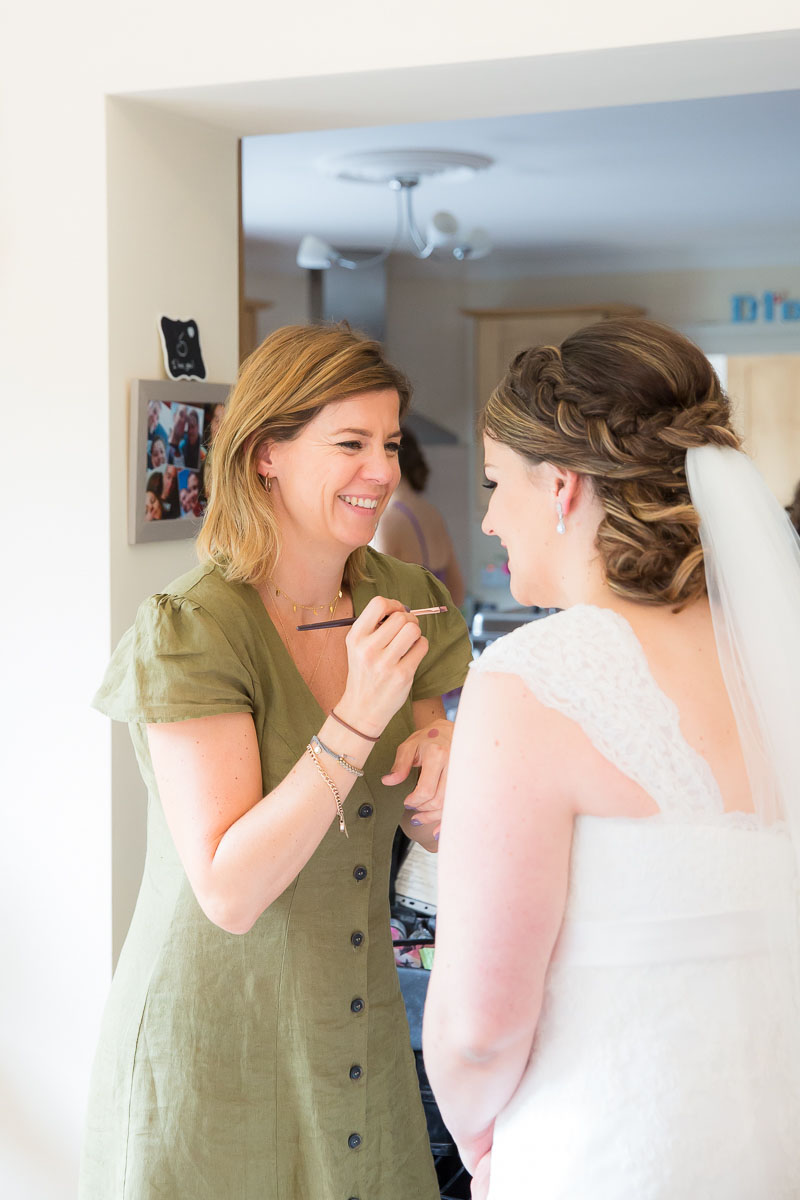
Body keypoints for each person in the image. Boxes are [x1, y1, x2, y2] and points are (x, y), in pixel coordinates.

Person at [81, 323, 473, 1200]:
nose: (380, 470)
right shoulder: (195, 626)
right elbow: (230, 890)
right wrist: (359, 712)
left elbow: (424, 809)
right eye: (350, 444)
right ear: (267, 455)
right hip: (215, 1030)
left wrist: (443, 762)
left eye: (389, 443)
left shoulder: (405, 596)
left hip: (358, 1023)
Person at [424, 317, 800, 1199]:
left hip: (611, 1152)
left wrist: (483, 1145)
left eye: (493, 483)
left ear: (560, 487)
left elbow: (479, 1029)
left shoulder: (532, 681)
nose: (484, 518)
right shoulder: (779, 662)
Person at [372, 425, 465, 607]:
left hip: (407, 633)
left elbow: (376, 599)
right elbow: (457, 593)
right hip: (438, 632)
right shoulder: (431, 513)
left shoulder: (390, 520)